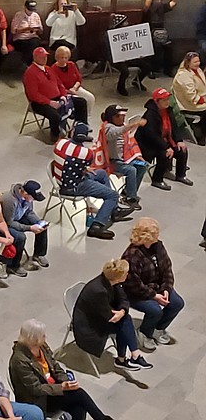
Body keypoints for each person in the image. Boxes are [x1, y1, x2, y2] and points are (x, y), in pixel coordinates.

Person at [9, 319, 112, 420]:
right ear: (33, 338)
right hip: (40, 399)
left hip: (53, 388)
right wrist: (61, 387)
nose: (45, 337)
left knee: (79, 408)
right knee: (79, 394)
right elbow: (36, 389)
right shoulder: (20, 361)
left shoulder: (42, 347)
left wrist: (66, 381)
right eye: (43, 335)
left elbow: (55, 366)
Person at [52, 123, 131, 240]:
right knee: (113, 195)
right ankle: (97, 226)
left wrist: (83, 168)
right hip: (75, 186)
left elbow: (71, 161)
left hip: (61, 180)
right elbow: (86, 161)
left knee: (102, 174)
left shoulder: (60, 143)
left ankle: (113, 210)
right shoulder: (87, 153)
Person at [72, 259, 153, 371]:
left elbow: (124, 299)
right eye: (125, 273)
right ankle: (130, 356)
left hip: (101, 316)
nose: (127, 275)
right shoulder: (98, 291)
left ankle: (127, 357)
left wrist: (122, 311)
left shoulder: (111, 281)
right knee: (124, 322)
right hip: (89, 326)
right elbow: (110, 316)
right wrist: (122, 313)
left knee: (124, 321)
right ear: (118, 277)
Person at [121, 218, 185, 352]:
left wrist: (166, 288)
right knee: (154, 310)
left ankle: (158, 328)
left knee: (177, 303)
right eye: (155, 234)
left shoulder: (158, 247)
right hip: (136, 293)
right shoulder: (132, 256)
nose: (158, 236)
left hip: (156, 287)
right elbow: (133, 284)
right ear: (146, 237)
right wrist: (155, 296)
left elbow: (167, 268)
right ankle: (145, 333)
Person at [23, 47, 87, 140]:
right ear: (35, 57)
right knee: (55, 115)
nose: (44, 59)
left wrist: (63, 96)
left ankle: (81, 130)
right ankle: (56, 136)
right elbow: (33, 95)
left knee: (81, 102)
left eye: (45, 56)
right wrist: (49, 102)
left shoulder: (48, 69)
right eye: (41, 57)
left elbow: (59, 83)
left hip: (57, 97)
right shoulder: (30, 73)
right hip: (40, 103)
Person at [135, 88, 192, 189]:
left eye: (167, 99)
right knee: (165, 154)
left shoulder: (168, 110)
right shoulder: (150, 115)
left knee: (182, 150)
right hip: (149, 144)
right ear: (157, 101)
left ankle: (181, 175)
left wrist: (179, 141)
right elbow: (152, 136)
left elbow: (174, 127)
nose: (167, 102)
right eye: (164, 100)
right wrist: (166, 147)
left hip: (163, 140)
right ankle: (157, 179)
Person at [101, 104, 147, 207]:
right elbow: (115, 133)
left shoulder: (123, 126)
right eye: (120, 115)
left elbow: (130, 142)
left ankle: (127, 192)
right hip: (111, 162)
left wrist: (136, 155)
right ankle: (131, 199)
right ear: (113, 117)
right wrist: (134, 124)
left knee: (142, 165)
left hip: (125, 158)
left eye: (123, 115)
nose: (123, 117)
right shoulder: (107, 128)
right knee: (131, 170)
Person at [0, 180, 49, 274]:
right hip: (6, 224)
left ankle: (39, 254)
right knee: (20, 237)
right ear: (24, 192)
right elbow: (9, 222)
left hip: (19, 217)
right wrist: (29, 228)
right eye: (33, 198)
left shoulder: (28, 198)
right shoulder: (9, 200)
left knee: (42, 227)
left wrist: (38, 222)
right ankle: (13, 266)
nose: (33, 200)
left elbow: (28, 212)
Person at [49, 45, 95, 120]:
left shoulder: (71, 64)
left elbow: (79, 78)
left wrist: (74, 88)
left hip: (75, 88)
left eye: (66, 57)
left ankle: (87, 118)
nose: (64, 60)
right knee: (80, 102)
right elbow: (57, 85)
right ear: (57, 58)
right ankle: (78, 120)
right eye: (61, 57)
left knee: (90, 98)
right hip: (63, 92)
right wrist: (68, 91)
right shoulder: (53, 69)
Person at [171, 51, 206, 145]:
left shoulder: (198, 70)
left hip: (201, 98)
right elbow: (191, 96)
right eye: (195, 62)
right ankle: (200, 136)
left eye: (198, 61)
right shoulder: (183, 75)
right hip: (189, 104)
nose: (198, 63)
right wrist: (203, 99)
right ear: (188, 62)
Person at [143, 0, 177, 77]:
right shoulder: (149, 9)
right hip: (151, 30)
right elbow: (146, 4)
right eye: (157, 0)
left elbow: (173, 2)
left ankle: (168, 69)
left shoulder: (163, 7)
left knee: (169, 48)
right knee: (153, 49)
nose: (159, 1)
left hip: (161, 30)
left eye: (160, 0)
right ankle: (150, 70)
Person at [11, 0, 43, 65]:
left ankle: (28, 64)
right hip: (20, 39)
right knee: (29, 46)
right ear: (25, 8)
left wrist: (38, 29)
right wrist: (26, 29)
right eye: (29, 10)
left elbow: (41, 32)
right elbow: (13, 31)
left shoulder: (36, 16)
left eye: (32, 10)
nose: (31, 12)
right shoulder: (18, 15)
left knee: (34, 42)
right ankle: (30, 64)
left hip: (33, 37)